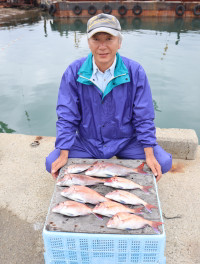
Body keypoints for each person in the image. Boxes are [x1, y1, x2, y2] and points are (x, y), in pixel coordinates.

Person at [46, 13, 172, 181]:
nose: (102, 46)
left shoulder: (135, 71)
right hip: (87, 141)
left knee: (163, 162)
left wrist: (149, 153)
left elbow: (144, 115)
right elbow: (66, 115)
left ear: (119, 42)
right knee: (51, 162)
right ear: (88, 42)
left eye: (109, 39)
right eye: (96, 39)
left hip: (126, 140)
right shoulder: (73, 71)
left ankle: (123, 158)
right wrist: (63, 152)